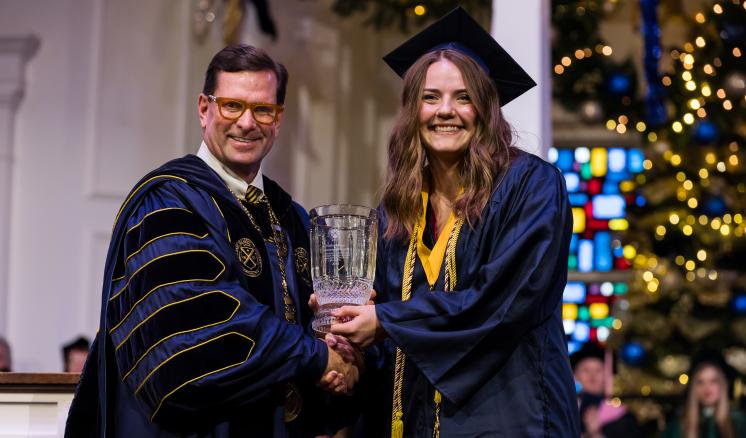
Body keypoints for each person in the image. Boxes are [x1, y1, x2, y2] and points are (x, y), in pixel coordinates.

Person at [65, 44, 359, 437]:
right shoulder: (168, 203)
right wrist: (316, 357)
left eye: (262, 109)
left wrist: (348, 343)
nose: (246, 123)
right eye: (232, 105)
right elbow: (202, 328)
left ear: (279, 118)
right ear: (204, 109)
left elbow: (335, 316)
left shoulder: (295, 220)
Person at [330, 7, 580, 437]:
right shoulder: (396, 212)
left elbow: (500, 303)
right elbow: (386, 336)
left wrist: (385, 320)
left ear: (485, 107)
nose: (446, 111)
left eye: (463, 97)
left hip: (513, 420)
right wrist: (346, 338)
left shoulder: (532, 187)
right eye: (431, 97)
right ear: (413, 110)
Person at [663, 353, 746, 438]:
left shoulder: (739, 422)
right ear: (693, 387)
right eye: (700, 382)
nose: (707, 387)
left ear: (723, 384)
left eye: (713, 381)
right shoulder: (678, 426)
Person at [571, 343, 641, 437]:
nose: (592, 376)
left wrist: (595, 433)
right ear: (575, 375)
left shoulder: (623, 418)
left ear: (607, 374)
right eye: (585, 370)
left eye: (598, 370)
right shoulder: (569, 411)